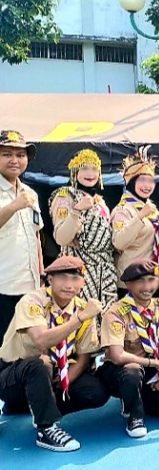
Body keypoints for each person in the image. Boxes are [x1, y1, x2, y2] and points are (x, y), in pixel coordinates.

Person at [0, 257, 104, 452]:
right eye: (62, 278)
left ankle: (39, 405)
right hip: (14, 374)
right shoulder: (32, 301)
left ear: (83, 283)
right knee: (40, 364)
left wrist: (64, 382)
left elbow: (83, 357)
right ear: (50, 280)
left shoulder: (83, 307)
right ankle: (46, 428)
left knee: (96, 391)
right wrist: (78, 319)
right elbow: (41, 340)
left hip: (54, 373)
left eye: (75, 278)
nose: (69, 285)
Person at [99, 260, 159, 439]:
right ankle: (135, 416)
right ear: (128, 284)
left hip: (150, 370)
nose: (147, 287)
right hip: (120, 370)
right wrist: (155, 363)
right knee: (132, 371)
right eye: (140, 281)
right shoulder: (116, 312)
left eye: (151, 280)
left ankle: (139, 397)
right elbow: (117, 356)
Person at [49, 149, 116, 306]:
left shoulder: (100, 202)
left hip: (104, 272)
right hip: (78, 269)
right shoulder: (65, 196)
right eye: (84, 168)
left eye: (94, 169)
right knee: (81, 315)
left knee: (106, 316)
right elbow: (61, 238)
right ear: (75, 171)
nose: (90, 173)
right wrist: (76, 210)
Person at [0, 130, 43, 344]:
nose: (15, 160)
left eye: (20, 155)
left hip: (30, 286)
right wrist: (14, 206)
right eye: (7, 154)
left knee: (27, 348)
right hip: (3, 285)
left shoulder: (30, 193)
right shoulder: (20, 198)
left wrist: (42, 274)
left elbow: (36, 236)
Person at [111, 146, 159, 298]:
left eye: (151, 181)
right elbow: (119, 243)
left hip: (152, 277)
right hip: (131, 279)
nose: (147, 186)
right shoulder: (123, 209)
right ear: (131, 182)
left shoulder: (152, 209)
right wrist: (139, 217)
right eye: (142, 180)